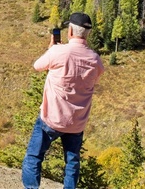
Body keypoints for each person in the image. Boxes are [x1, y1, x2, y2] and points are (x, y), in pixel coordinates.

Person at [22, 12, 104, 189]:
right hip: (77, 123)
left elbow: (37, 66)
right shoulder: (95, 60)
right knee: (72, 164)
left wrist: (52, 49)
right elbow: (92, 78)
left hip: (52, 118)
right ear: (87, 33)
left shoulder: (58, 52)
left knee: (34, 157)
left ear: (71, 32)